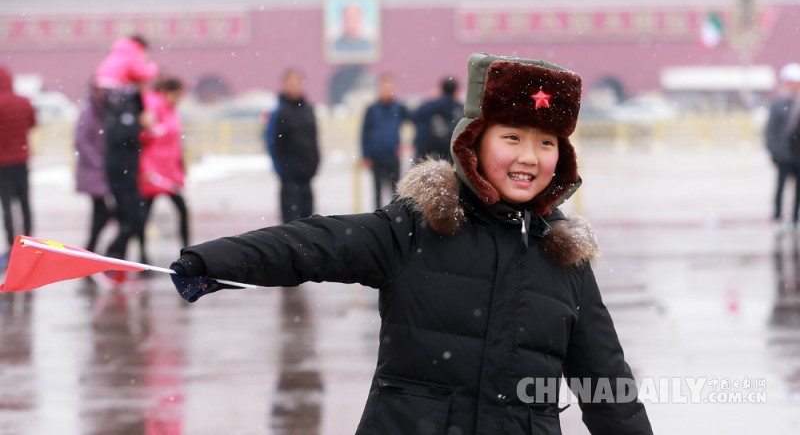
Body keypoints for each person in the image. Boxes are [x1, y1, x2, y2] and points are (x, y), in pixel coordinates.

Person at [169, 52, 652, 434]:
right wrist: (214, 261)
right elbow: (314, 244)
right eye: (512, 137)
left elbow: (607, 384)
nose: (530, 157)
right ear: (474, 143)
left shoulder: (563, 257)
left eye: (546, 143)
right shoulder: (417, 228)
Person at [95, 35, 158, 283]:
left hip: (128, 167)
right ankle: (112, 256)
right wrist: (138, 124)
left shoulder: (129, 99)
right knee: (131, 217)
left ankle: (117, 258)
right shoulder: (121, 101)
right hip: (119, 167)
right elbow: (119, 133)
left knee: (130, 216)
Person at [138, 76, 189, 264]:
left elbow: (174, 142)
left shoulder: (172, 111)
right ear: (168, 92)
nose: (180, 99)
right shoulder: (153, 107)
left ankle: (187, 251)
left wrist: (181, 166)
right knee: (144, 214)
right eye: (178, 94)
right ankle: (142, 255)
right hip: (152, 171)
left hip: (169, 170)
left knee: (182, 209)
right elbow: (143, 136)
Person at [263, 68, 320, 223]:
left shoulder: (308, 110)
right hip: (289, 178)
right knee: (291, 225)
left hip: (307, 176)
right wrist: (282, 170)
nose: (294, 85)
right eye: (291, 82)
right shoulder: (279, 112)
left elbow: (314, 140)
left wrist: (315, 163)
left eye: (298, 81)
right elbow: (272, 143)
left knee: (308, 223)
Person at [0, 66, 36, 269]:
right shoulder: (23, 102)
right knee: (25, 203)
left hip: (2, 163)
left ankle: (11, 245)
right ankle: (29, 243)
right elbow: (32, 122)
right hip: (21, 160)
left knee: (6, 206)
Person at [74, 82, 115, 253]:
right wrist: (98, 161)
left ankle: (90, 246)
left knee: (101, 211)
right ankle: (90, 247)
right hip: (93, 171)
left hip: (102, 170)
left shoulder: (106, 110)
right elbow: (81, 140)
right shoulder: (89, 112)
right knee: (102, 210)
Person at [360, 74, 411, 209]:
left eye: (390, 88)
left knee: (396, 191)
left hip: (393, 155)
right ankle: (377, 219)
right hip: (376, 156)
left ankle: (395, 218)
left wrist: (409, 143)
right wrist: (365, 155)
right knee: (377, 191)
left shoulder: (399, 108)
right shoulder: (372, 109)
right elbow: (364, 134)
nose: (387, 91)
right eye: (384, 87)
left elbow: (415, 120)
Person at [766, 62, 800, 235]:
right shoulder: (778, 104)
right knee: (780, 188)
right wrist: (774, 152)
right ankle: (778, 218)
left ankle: (795, 220)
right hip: (784, 155)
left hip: (798, 156)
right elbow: (771, 131)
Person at [412, 76, 464, 161]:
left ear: (441, 89)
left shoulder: (430, 106)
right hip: (450, 152)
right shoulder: (459, 108)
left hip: (428, 152)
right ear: (456, 90)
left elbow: (415, 116)